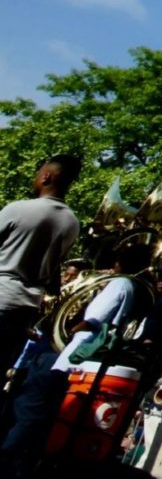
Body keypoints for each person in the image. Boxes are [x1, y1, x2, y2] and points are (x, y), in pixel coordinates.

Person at [0, 240, 153, 472]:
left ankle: (8, 459)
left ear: (120, 262)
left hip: (73, 356)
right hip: (82, 359)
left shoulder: (120, 283)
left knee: (30, 408)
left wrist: (70, 328)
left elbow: (94, 318)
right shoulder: (134, 287)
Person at [0, 157, 83, 377]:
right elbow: (53, 271)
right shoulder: (72, 223)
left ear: (46, 176)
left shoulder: (18, 209)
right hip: (26, 309)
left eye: (38, 173)